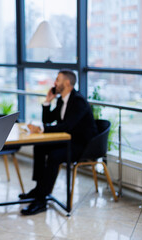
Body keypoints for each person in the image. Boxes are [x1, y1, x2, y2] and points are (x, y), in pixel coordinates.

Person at [19, 69, 98, 216]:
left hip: (83, 146)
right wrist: (48, 101)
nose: (54, 83)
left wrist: (41, 130)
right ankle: (39, 189)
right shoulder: (62, 99)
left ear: (67, 83)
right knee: (40, 147)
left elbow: (67, 126)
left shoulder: (78, 101)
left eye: (57, 80)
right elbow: (48, 120)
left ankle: (41, 200)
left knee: (55, 156)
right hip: (67, 141)